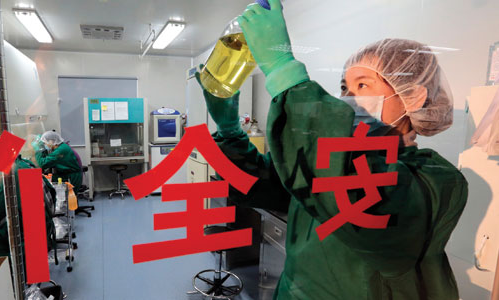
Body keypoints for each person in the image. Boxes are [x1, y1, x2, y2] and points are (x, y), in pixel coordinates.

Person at [195, 0, 468, 299]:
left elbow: (355, 189)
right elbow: (258, 182)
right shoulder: (326, 158)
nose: (348, 99)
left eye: (362, 86)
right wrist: (229, 130)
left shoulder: (437, 180)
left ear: (413, 97)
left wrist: (284, 72)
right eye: (343, 88)